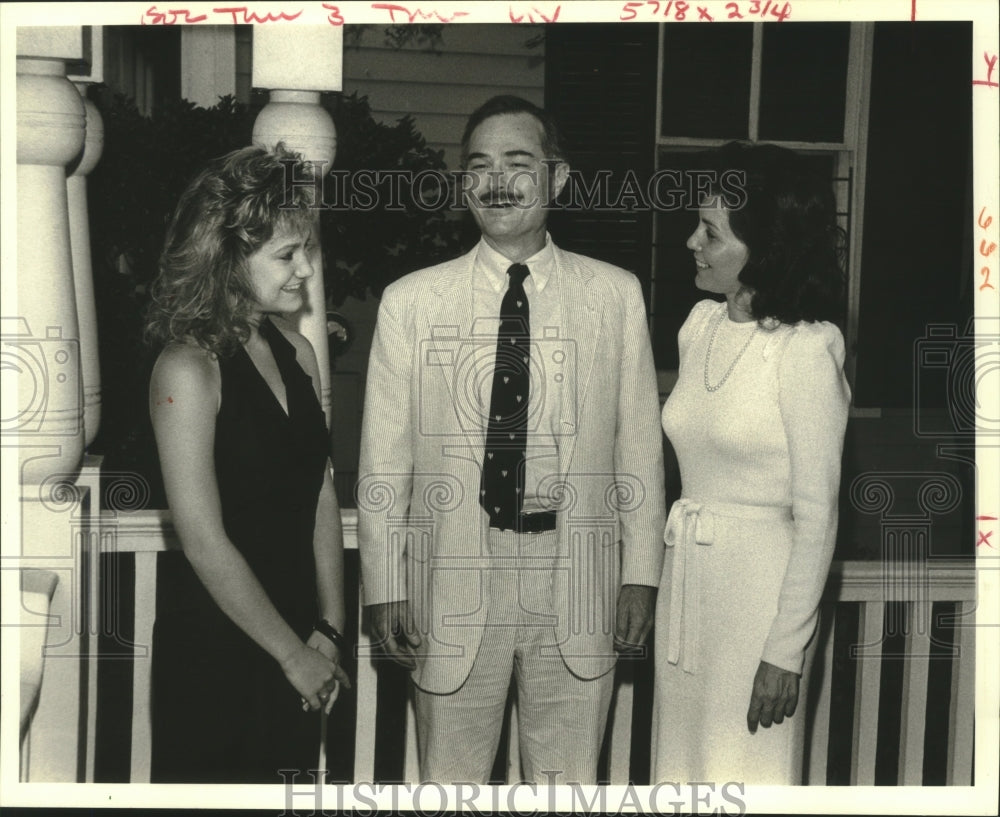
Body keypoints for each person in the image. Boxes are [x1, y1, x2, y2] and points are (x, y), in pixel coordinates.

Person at [357, 95, 665, 784]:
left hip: (580, 574)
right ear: (464, 183)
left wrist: (640, 575)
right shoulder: (412, 301)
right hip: (454, 577)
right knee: (449, 783)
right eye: (479, 165)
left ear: (556, 179)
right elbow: (385, 457)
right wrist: (383, 584)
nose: (497, 180)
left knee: (569, 784)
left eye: (518, 163)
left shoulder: (615, 296)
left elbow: (638, 446)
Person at [145, 145, 350, 783]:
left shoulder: (299, 353)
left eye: (307, 250)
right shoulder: (186, 368)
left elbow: (319, 494)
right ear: (228, 259)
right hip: (215, 646)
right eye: (287, 255)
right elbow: (204, 541)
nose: (305, 270)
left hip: (301, 641)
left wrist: (330, 629)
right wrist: (292, 654)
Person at [652, 142, 851, 784]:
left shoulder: (806, 348)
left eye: (710, 231)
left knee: (747, 774)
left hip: (761, 600)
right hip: (688, 582)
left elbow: (818, 516)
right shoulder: (697, 326)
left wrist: (785, 650)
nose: (692, 242)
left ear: (762, 245)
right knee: (680, 771)